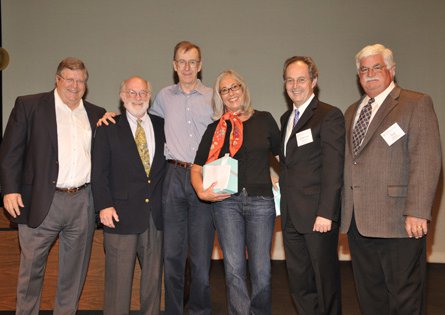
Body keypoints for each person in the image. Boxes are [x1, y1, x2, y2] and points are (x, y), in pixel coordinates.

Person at [341, 44, 442, 314]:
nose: (370, 74)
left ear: (392, 70)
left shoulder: (415, 103)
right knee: (370, 295)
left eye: (377, 67)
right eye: (364, 70)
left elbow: (427, 159)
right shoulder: (352, 111)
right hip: (358, 222)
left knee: (404, 297)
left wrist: (418, 211)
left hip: (400, 221)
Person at [0, 57, 106, 314]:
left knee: (74, 275)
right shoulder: (29, 105)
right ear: (57, 80)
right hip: (39, 200)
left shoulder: (97, 114)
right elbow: (10, 151)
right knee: (30, 273)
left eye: (80, 80)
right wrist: (10, 190)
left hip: (82, 201)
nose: (75, 85)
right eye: (69, 79)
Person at [191, 69, 281, 315]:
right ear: (219, 96)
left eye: (235, 87)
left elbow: (284, 158)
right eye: (224, 90)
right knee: (233, 269)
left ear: (243, 89)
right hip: (226, 204)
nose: (231, 93)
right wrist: (202, 192)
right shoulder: (215, 129)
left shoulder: (265, 120)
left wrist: (285, 183)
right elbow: (196, 168)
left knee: (261, 269)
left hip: (261, 202)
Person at [150, 41, 215, 315]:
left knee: (200, 259)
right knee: (172, 256)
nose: (187, 67)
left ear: (200, 65)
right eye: (182, 62)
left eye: (193, 62)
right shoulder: (163, 97)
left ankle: (199, 311)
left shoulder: (214, 96)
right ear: (174, 65)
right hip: (173, 177)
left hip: (204, 176)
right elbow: (145, 125)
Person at [91, 76, 166, 315]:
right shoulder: (108, 126)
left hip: (155, 217)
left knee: (153, 283)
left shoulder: (161, 125)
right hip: (119, 215)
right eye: (132, 93)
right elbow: (99, 171)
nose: (138, 97)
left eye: (142, 92)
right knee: (118, 285)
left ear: (149, 95)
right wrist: (104, 205)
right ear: (122, 96)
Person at [279, 56, 344, 314]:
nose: (295, 85)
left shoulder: (328, 115)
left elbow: (333, 168)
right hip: (292, 218)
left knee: (325, 283)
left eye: (301, 79)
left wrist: (326, 212)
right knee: (299, 282)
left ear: (314, 81)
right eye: (290, 80)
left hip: (318, 217)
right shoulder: (286, 118)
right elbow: (289, 165)